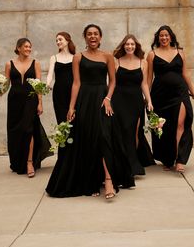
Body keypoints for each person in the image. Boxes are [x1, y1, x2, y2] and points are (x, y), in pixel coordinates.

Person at [46, 24, 134, 199]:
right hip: (84, 101)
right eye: (89, 34)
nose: (92, 37)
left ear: (100, 37)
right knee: (87, 140)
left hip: (102, 100)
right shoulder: (78, 57)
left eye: (95, 34)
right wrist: (71, 107)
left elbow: (113, 81)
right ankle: (91, 181)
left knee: (104, 137)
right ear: (85, 38)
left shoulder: (108, 56)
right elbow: (76, 83)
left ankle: (109, 180)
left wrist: (108, 98)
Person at [147, 25, 194, 173]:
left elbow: (185, 74)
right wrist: (147, 98)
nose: (164, 38)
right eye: (161, 36)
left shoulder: (180, 53)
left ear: (171, 37)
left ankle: (180, 159)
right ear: (158, 38)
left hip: (180, 93)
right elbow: (149, 78)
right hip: (160, 95)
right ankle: (168, 159)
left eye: (166, 35)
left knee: (181, 123)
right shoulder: (152, 55)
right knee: (165, 127)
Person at [5, 38, 52, 177]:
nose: (28, 49)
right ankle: (17, 161)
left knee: (28, 130)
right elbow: (6, 84)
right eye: (25, 47)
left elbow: (38, 85)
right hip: (14, 101)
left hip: (30, 100)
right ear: (18, 48)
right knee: (15, 132)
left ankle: (29, 162)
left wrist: (40, 102)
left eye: (30, 47)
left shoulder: (35, 63)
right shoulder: (9, 63)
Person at [112, 34, 155, 177]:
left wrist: (149, 101)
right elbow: (111, 83)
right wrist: (107, 99)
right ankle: (125, 166)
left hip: (136, 101)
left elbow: (144, 84)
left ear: (136, 46)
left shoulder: (143, 62)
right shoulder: (116, 61)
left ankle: (133, 162)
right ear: (123, 46)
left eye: (132, 44)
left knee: (135, 133)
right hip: (118, 101)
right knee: (122, 132)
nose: (129, 46)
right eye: (127, 44)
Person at [46, 32, 75, 125]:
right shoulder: (54, 58)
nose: (58, 42)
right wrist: (47, 84)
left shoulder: (75, 58)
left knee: (74, 121)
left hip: (73, 92)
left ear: (67, 40)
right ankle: (63, 139)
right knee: (62, 120)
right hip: (59, 93)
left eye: (60, 39)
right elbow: (50, 74)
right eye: (56, 40)